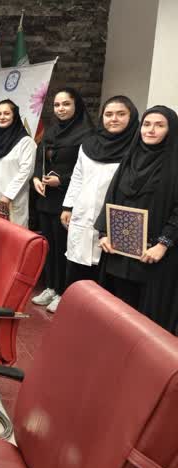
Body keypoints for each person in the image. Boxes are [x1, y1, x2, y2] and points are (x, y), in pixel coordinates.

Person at [96, 106, 178, 335]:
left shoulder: (174, 163)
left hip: (155, 256)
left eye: (159, 125)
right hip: (120, 252)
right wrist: (104, 233)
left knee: (147, 321)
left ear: (171, 130)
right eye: (147, 124)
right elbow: (111, 196)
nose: (150, 130)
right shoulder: (130, 158)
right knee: (118, 310)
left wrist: (163, 244)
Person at [61, 96, 139, 289]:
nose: (114, 119)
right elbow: (77, 177)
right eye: (108, 114)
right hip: (83, 213)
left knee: (107, 275)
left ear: (131, 117)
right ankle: (73, 301)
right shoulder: (88, 145)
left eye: (121, 114)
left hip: (117, 220)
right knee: (77, 267)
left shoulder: (137, 148)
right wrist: (68, 206)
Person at [30, 88, 93, 312]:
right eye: (57, 105)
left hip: (67, 200)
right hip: (46, 198)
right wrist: (36, 178)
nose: (61, 109)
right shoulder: (52, 130)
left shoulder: (87, 134)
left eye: (66, 104)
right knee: (49, 246)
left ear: (76, 105)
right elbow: (39, 157)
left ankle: (63, 292)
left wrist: (62, 181)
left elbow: (85, 170)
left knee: (64, 247)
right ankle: (50, 286)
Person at [0, 99, 36, 227]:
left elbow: (26, 171)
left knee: (14, 235)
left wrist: (8, 195)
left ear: (14, 116)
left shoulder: (25, 142)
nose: (2, 117)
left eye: (7, 113)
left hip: (13, 200)